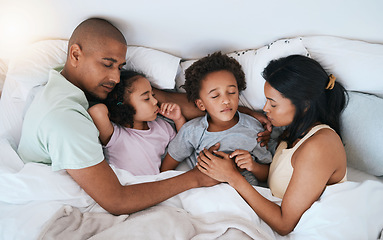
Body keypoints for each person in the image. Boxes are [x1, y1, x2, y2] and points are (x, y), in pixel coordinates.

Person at [17, 18, 219, 215]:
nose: (115, 78)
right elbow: (117, 200)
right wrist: (196, 178)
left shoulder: (71, 84)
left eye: (119, 67)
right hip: (55, 205)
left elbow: (163, 98)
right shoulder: (66, 119)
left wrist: (239, 112)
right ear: (75, 55)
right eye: (107, 64)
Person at [196, 55, 348, 235]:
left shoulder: (320, 146)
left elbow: (285, 224)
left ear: (305, 104)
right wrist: (253, 165)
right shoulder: (293, 131)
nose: (265, 108)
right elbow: (283, 177)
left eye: (273, 104)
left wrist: (232, 177)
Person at [160, 52, 273, 186]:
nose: (226, 100)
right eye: (215, 96)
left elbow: (267, 175)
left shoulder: (254, 128)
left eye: (231, 92)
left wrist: (252, 166)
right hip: (207, 196)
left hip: (244, 199)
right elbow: (165, 172)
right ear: (201, 104)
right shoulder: (191, 131)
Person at [88, 70, 186, 175]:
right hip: (125, 186)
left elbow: (183, 144)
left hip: (154, 184)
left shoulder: (162, 127)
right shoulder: (116, 135)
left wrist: (178, 119)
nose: (155, 101)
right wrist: (117, 106)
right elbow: (97, 111)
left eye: (153, 95)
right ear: (124, 105)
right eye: (146, 98)